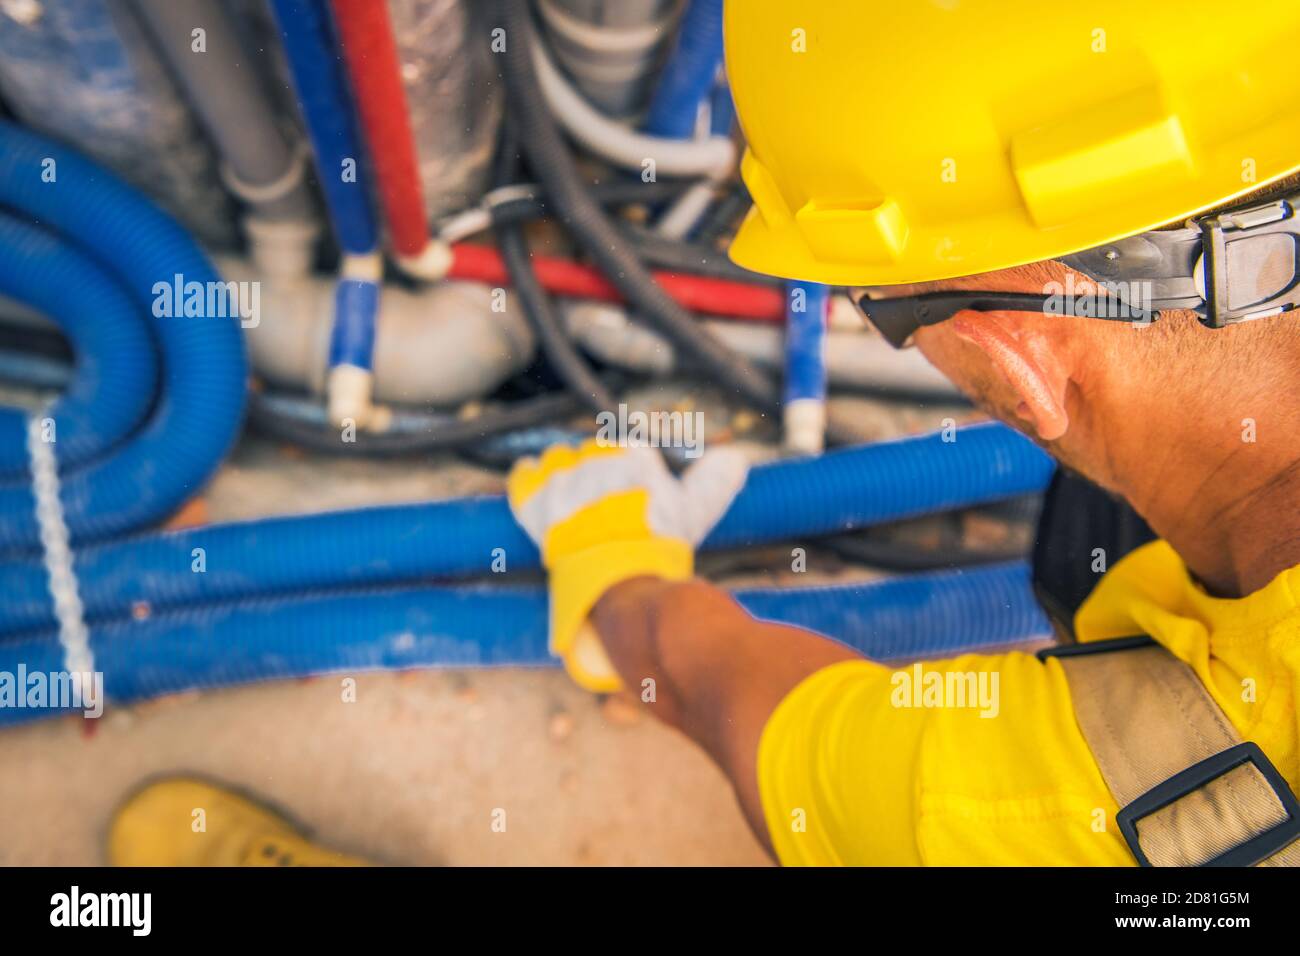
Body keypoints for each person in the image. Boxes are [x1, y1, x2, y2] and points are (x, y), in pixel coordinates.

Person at [504, 0, 1300, 866]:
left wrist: (618, 571)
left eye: (885, 311)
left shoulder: (1097, 807)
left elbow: (745, 716)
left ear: (1020, 363)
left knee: (1082, 549)